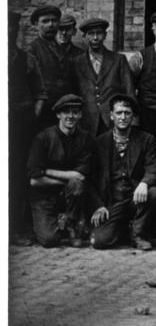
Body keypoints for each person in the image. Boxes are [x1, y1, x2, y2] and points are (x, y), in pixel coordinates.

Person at [89, 94, 156, 250]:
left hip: (134, 199)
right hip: (112, 202)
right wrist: (98, 205)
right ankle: (124, 229)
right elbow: (90, 179)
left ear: (133, 116)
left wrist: (144, 183)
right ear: (111, 116)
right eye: (118, 113)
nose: (123, 117)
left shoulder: (146, 139)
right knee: (99, 241)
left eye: (127, 113)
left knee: (154, 193)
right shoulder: (99, 142)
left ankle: (137, 234)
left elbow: (153, 168)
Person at [26, 93, 94, 248]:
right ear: (58, 114)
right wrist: (66, 181)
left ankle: (71, 225)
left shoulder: (85, 139)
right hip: (44, 197)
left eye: (75, 112)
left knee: (76, 185)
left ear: (80, 115)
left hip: (71, 197)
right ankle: (46, 223)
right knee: (50, 240)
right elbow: (34, 180)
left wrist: (46, 171)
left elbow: (80, 175)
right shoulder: (43, 138)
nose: (70, 116)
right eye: (66, 112)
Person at [9, 11, 44, 244]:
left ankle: (16, 229)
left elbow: (41, 93)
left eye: (11, 28)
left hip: (21, 125)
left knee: (17, 175)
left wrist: (33, 117)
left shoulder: (27, 59)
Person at [73, 17, 136, 136]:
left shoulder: (118, 60)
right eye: (91, 34)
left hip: (113, 121)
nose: (95, 38)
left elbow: (130, 91)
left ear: (105, 35)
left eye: (99, 33)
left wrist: (131, 120)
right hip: (86, 121)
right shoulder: (76, 62)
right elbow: (74, 92)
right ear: (84, 36)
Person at [26, 4, 75, 128]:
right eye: (45, 21)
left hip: (64, 112)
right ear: (37, 24)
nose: (50, 25)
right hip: (43, 113)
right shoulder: (31, 50)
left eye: (54, 20)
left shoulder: (62, 49)